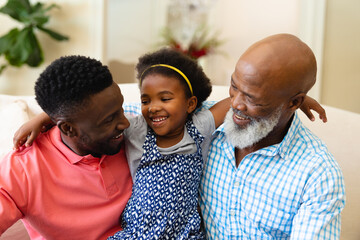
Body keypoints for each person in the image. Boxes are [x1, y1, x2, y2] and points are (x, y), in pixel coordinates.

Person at [12, 49, 326, 239]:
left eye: (165, 99)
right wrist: (44, 118)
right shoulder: (135, 127)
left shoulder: (199, 127)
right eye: (146, 100)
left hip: (185, 234)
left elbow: (238, 100)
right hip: (136, 234)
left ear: (190, 104)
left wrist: (289, 99)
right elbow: (85, 113)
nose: (153, 107)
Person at [199, 33, 346, 239]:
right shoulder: (207, 124)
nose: (235, 104)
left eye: (252, 98)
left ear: (294, 103)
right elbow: (145, 115)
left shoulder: (317, 173)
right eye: (234, 86)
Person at [0, 55, 133, 240]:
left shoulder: (135, 136)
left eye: (121, 109)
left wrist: (45, 117)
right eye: (109, 119)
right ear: (68, 128)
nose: (125, 123)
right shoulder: (23, 169)